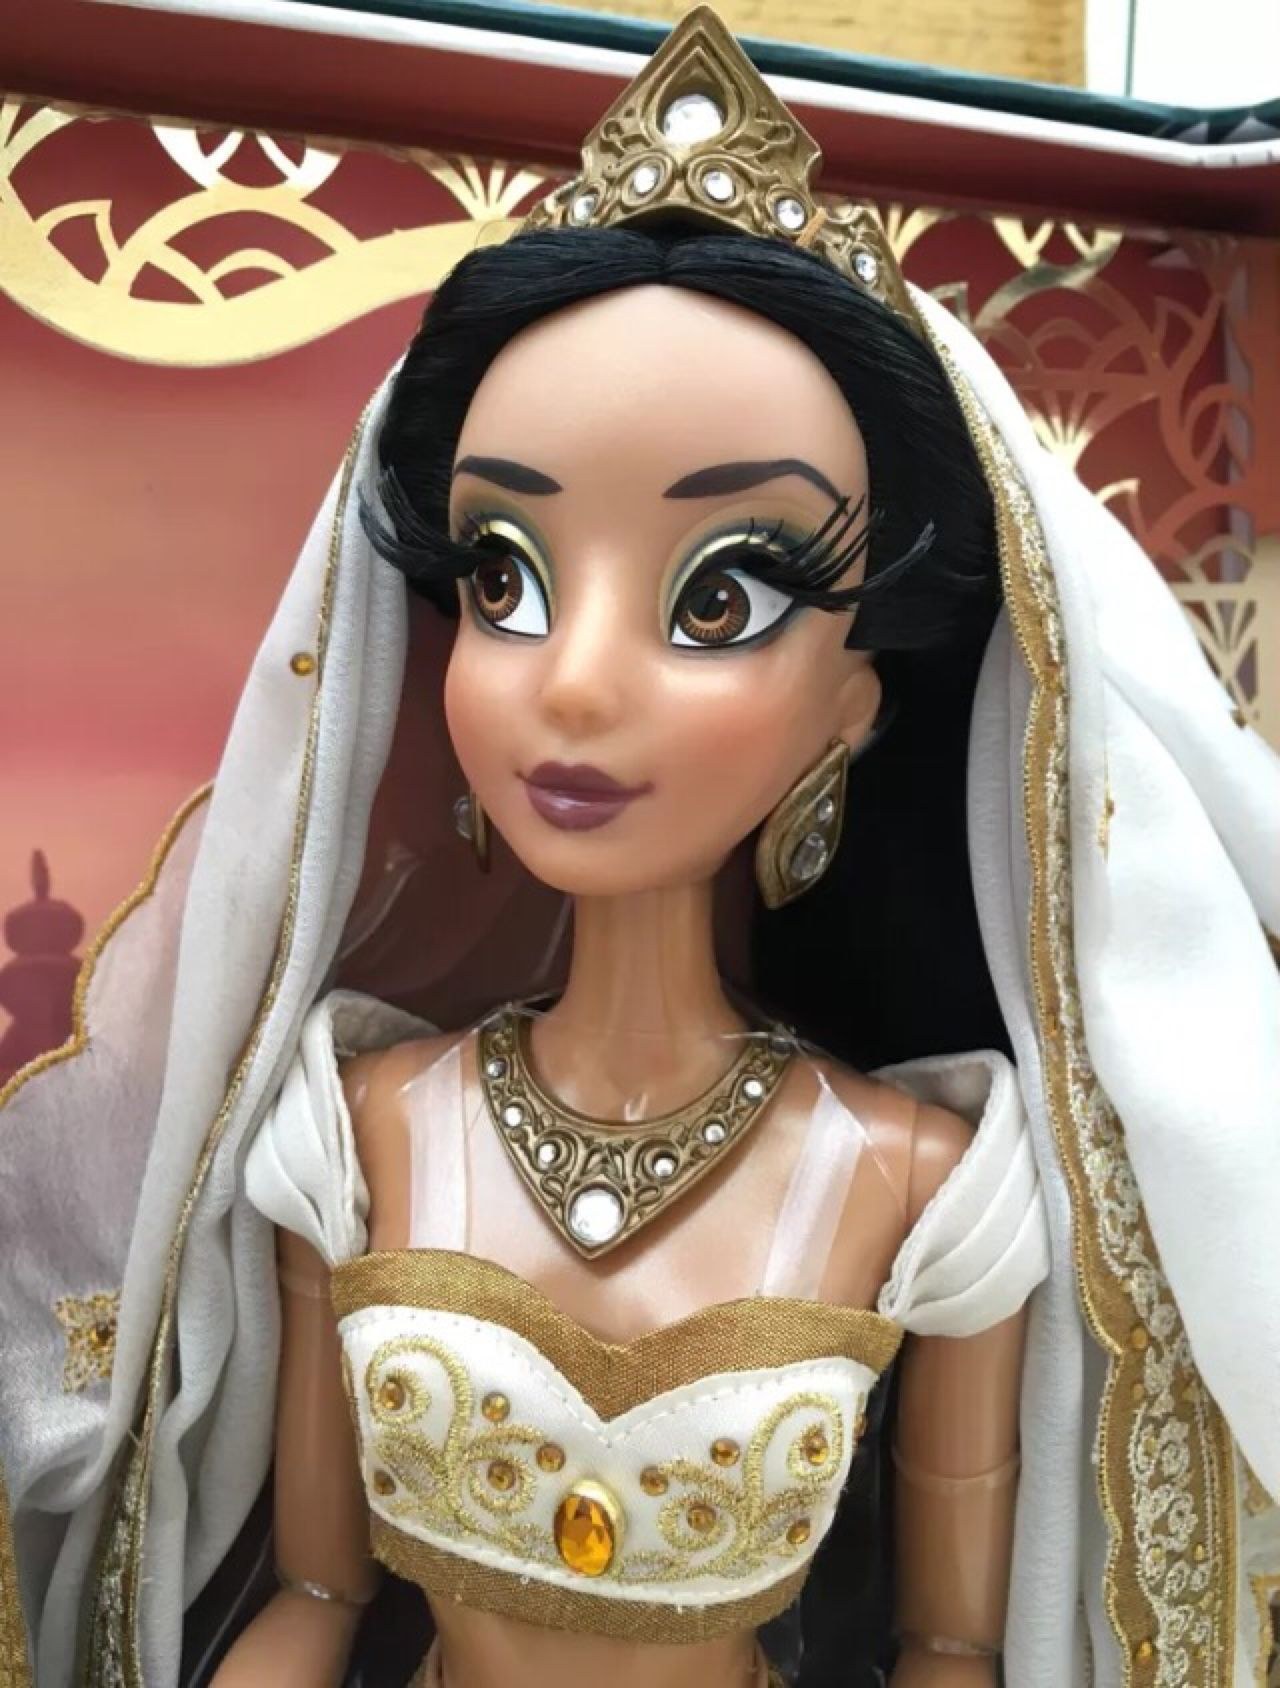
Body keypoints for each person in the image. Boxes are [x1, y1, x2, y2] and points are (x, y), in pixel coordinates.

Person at [1, 10, 1276, 1688]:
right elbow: (314, 1597)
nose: (576, 684)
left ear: (852, 707)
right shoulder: (351, 1131)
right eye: (505, 578)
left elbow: (951, 1646)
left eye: (721, 596)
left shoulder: (926, 1184)